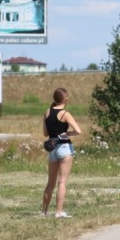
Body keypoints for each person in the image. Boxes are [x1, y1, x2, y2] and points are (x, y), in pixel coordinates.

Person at [41, 87, 82, 218]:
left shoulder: (47, 112)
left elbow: (45, 133)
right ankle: (58, 212)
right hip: (64, 147)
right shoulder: (65, 114)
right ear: (66, 99)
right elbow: (78, 131)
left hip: (52, 148)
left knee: (50, 183)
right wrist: (67, 133)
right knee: (62, 181)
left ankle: (44, 211)